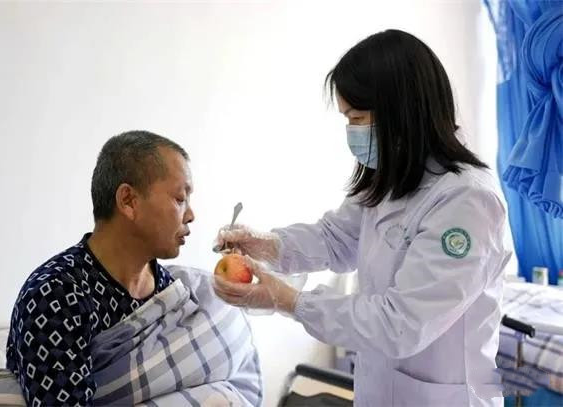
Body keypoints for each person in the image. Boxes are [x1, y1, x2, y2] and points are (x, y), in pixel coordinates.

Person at [213, 29, 511, 407]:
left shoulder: (468, 200)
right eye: (348, 119)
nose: (352, 132)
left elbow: (399, 324)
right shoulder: (392, 177)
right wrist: (269, 245)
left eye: (357, 118)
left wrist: (289, 300)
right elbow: (335, 237)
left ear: (402, 111)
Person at [5, 131, 262, 406]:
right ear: (128, 201)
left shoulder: (175, 291)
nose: (191, 215)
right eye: (179, 198)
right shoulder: (54, 296)